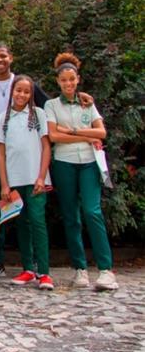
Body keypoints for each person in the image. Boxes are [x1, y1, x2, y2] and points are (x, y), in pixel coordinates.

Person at [0, 43, 48, 279]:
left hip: (25, 167)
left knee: (31, 217)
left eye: (3, 56)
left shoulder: (26, 85)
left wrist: (81, 98)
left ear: (10, 58)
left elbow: (51, 108)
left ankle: (37, 265)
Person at [45, 53, 117, 291]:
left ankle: (106, 270)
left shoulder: (88, 103)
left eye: (71, 79)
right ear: (58, 82)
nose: (68, 84)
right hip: (64, 162)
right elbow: (55, 136)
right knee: (71, 215)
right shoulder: (51, 105)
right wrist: (87, 134)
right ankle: (80, 269)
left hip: (88, 161)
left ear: (78, 79)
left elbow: (102, 133)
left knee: (92, 210)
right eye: (64, 80)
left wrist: (76, 131)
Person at [0, 75, 53, 290]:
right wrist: (4, 184)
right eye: (18, 90)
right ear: (12, 91)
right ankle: (28, 268)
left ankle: (44, 272)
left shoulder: (38, 114)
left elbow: (46, 147)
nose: (22, 95)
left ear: (31, 95)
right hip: (14, 179)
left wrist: (41, 176)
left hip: (36, 179)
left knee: (38, 221)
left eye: (26, 92)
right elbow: (0, 153)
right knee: (22, 223)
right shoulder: (3, 118)